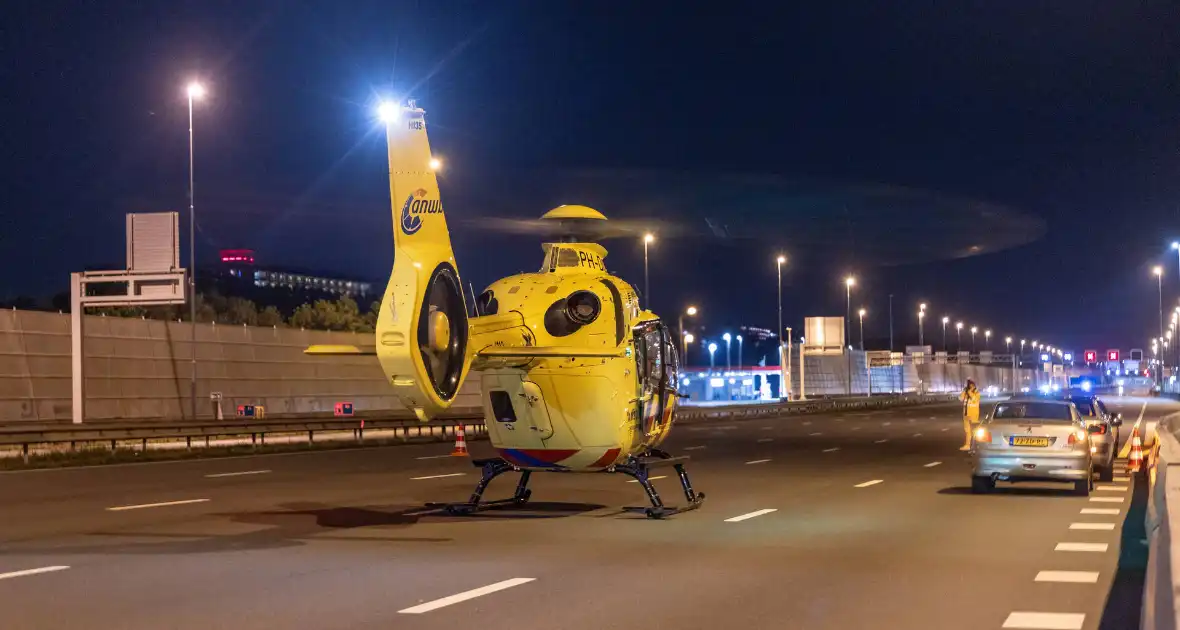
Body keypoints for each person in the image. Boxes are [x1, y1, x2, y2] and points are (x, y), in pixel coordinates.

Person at [959, 379, 981, 451]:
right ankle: (967, 445)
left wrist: (969, 392)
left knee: (975, 431)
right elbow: (960, 399)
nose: (970, 386)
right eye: (969, 385)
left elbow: (975, 399)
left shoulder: (976, 392)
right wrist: (964, 392)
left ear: (974, 385)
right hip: (966, 415)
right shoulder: (966, 392)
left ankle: (976, 445)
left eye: (971, 385)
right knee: (967, 431)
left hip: (973, 415)